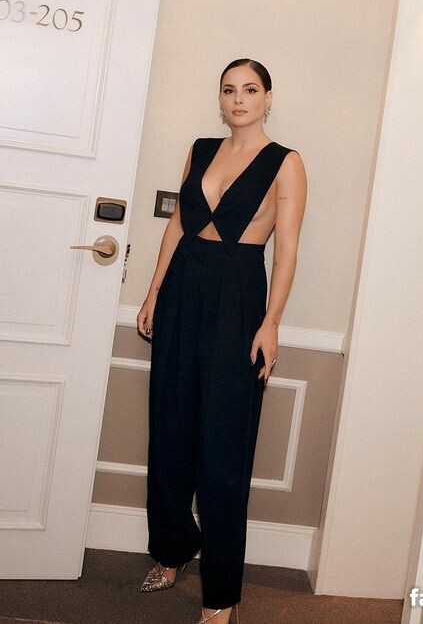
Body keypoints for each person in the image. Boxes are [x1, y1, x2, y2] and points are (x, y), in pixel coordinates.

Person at [136, 58, 307, 624]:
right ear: (220, 98)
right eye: (229, 90)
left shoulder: (286, 163)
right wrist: (153, 294)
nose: (239, 99)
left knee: (224, 448)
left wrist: (271, 322)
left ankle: (221, 595)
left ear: (268, 98)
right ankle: (172, 550)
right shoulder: (201, 149)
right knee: (170, 429)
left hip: (238, 299)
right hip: (182, 289)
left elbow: (287, 250)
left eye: (250, 90)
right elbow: (177, 225)